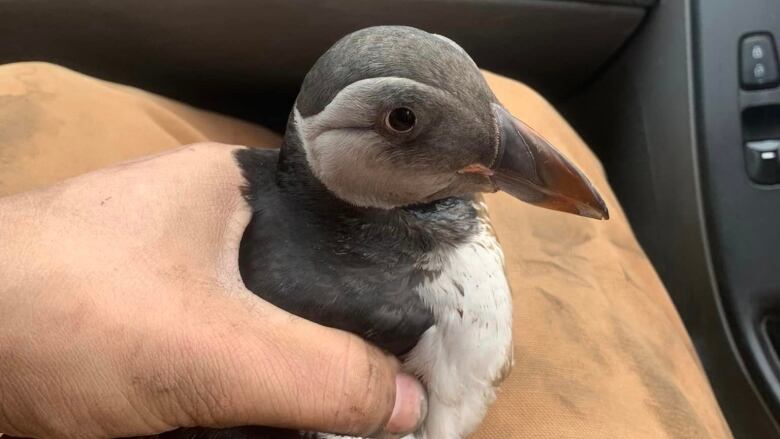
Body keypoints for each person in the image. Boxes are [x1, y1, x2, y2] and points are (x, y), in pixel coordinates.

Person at [0, 62, 732, 438]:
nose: (511, 150)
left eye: (486, 106)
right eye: (405, 117)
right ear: (326, 145)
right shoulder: (344, 319)